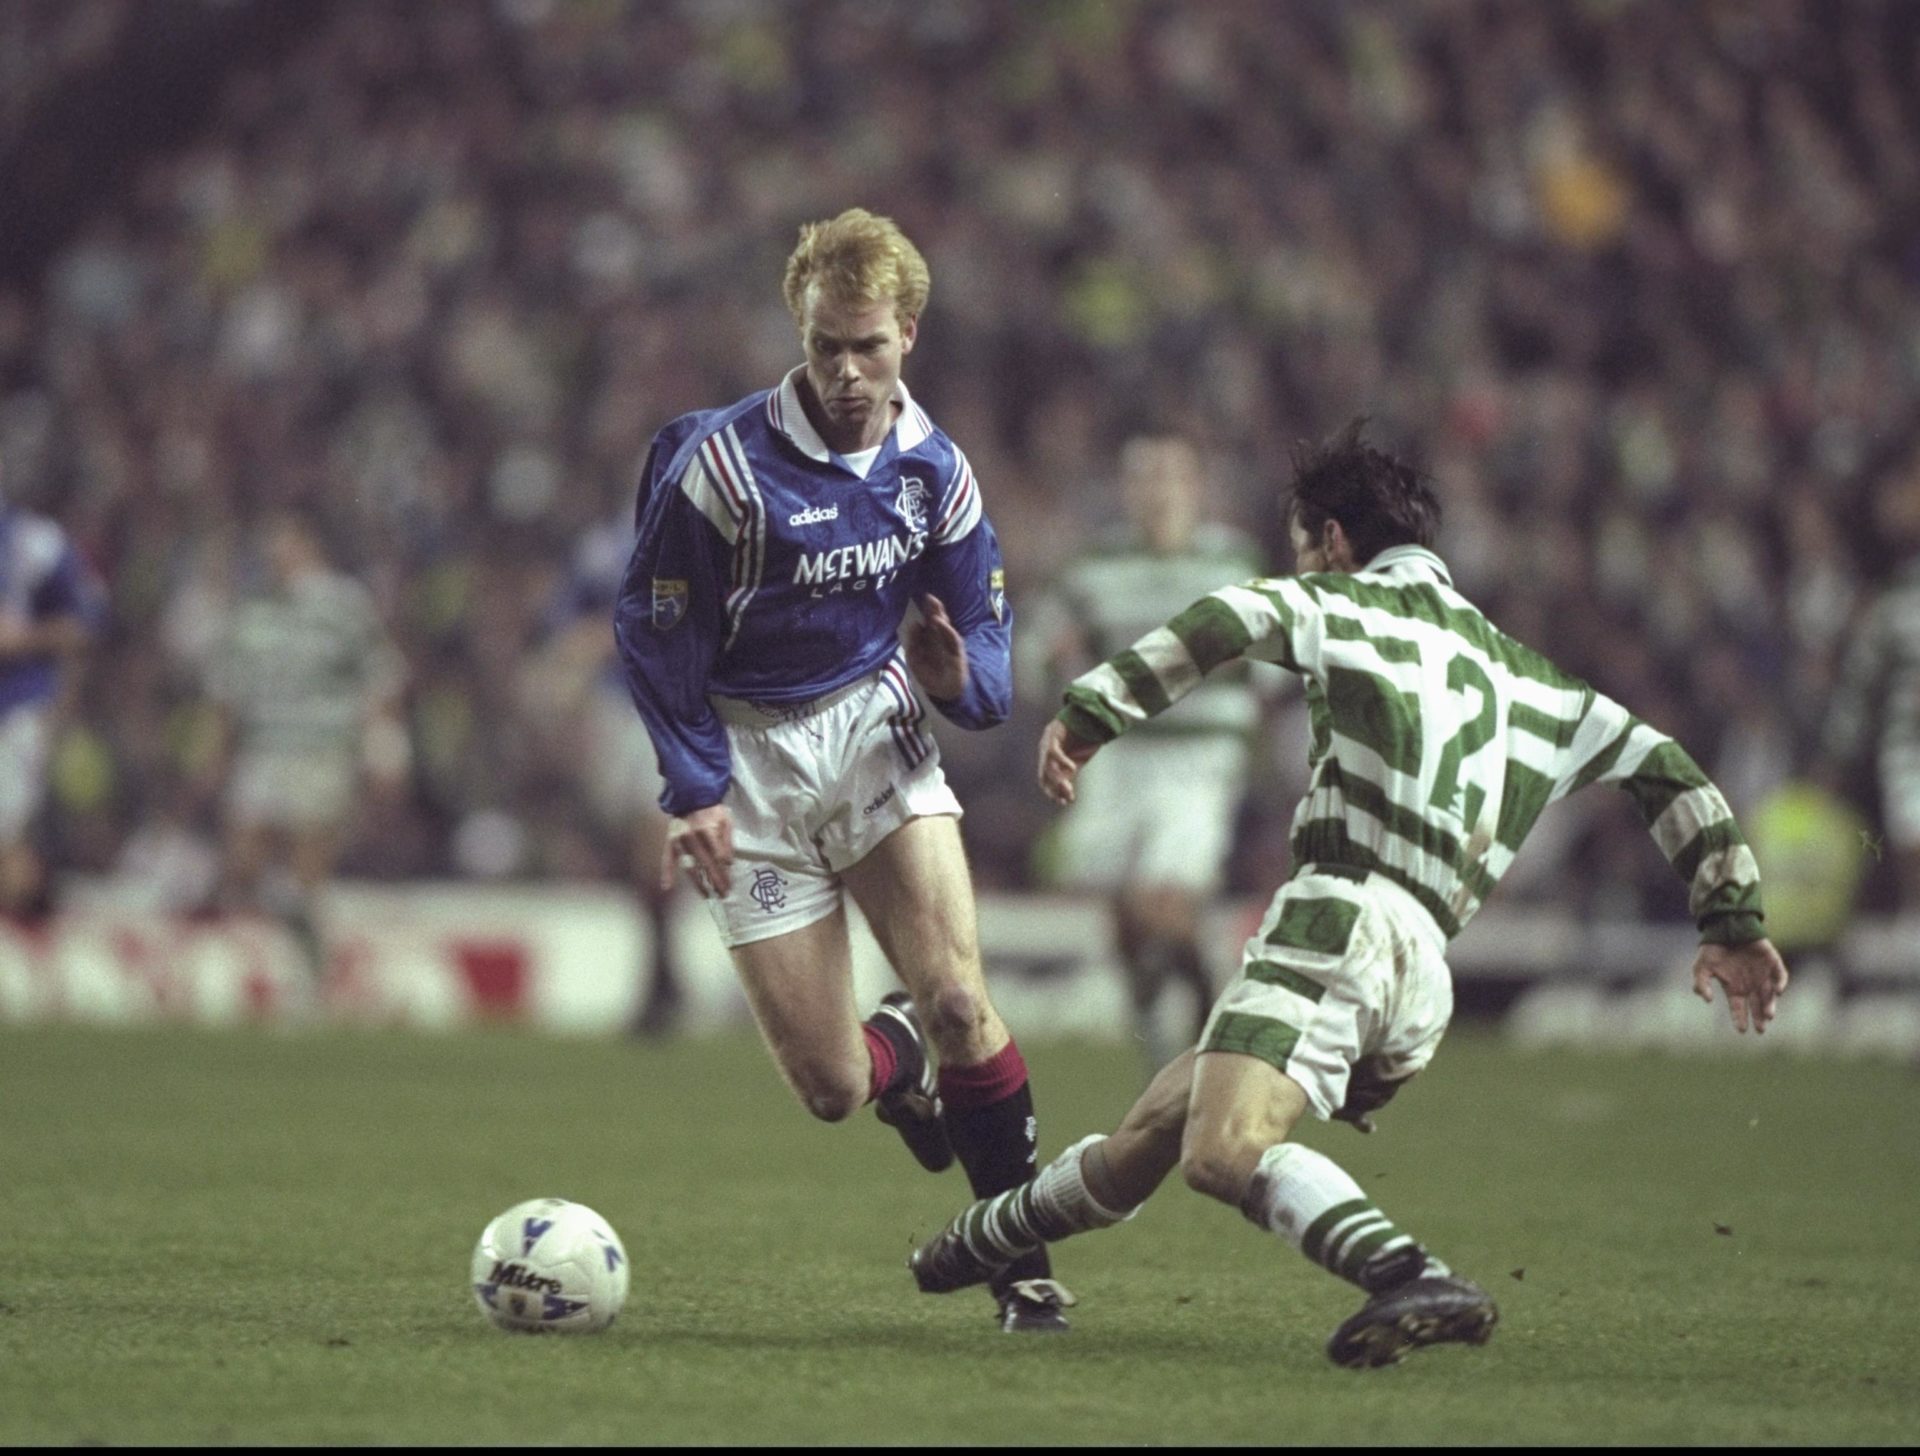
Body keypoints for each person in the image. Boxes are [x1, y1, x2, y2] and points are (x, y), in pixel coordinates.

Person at [908, 422, 1790, 1366]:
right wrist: (1731, 918)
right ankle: (977, 1244)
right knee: (1153, 1131)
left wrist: (1090, 712)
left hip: (1340, 920)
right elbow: (1668, 769)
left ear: (1333, 541)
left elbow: (1229, 619)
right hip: (1421, 975)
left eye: (1305, 551)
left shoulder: (1352, 608)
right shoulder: (1536, 680)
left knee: (1220, 1149)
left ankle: (1410, 1275)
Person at [613, 208, 1070, 1333]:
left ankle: (1020, 1262)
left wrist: (957, 676)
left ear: (908, 332)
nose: (849, 371)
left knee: (962, 992)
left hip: (874, 723)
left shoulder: (936, 470)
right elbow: (653, 632)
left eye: (869, 345)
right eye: (827, 346)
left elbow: (990, 649)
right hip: (750, 756)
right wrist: (695, 787)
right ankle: (896, 1054)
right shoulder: (720, 467)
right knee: (832, 1088)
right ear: (800, 333)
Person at [1037, 436, 1264, 1076]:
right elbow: (1041, 642)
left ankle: (1205, 1009)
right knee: (1122, 910)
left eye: (1170, 477)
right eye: (1144, 478)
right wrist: (1052, 661)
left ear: (1195, 487)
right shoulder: (1094, 567)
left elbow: (1271, 660)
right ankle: (1163, 1003)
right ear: (1126, 489)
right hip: (1118, 751)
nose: (1157, 491)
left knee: (1164, 899)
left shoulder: (1230, 563)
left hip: (1200, 753)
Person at [208, 512, 405, 985]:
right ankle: (302, 928)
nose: (271, 553)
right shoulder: (254, 607)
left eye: (281, 542)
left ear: (306, 545)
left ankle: (306, 980)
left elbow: (381, 675)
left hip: (322, 747)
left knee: (307, 861)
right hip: (263, 748)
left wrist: (386, 749)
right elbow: (229, 688)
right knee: (242, 859)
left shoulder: (343, 604)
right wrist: (217, 748)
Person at [537, 512, 686, 1035]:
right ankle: (664, 973)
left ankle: (661, 981)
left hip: (664, 709)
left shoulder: (692, 543)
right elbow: (564, 623)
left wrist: (610, 633)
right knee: (634, 850)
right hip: (611, 710)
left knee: (655, 842)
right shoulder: (602, 545)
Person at [0, 462, 104, 918]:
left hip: (16, 707)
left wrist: (23, 638)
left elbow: (87, 619)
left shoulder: (32, 541)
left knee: (5, 827)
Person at [1817, 460, 1920, 917]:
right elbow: (1859, 688)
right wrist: (1837, 753)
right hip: (1901, 751)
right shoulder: (1887, 598)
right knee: (1900, 830)